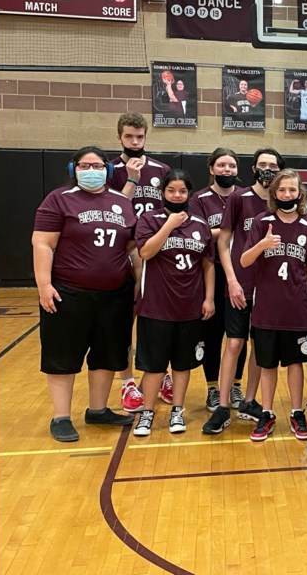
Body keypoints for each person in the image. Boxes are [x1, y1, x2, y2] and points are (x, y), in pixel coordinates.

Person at [32, 146, 137, 442]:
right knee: (63, 355)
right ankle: (61, 416)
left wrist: (138, 283)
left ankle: (98, 409)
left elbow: (131, 246)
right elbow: (42, 243)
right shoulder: (59, 199)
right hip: (68, 292)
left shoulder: (122, 202)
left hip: (115, 294)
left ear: (109, 169)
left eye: (97, 165)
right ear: (73, 169)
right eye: (84, 165)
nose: (91, 170)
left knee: (107, 355)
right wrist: (43, 285)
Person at [202, 148, 284, 435]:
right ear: (253, 168)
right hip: (240, 283)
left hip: (271, 288)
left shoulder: (284, 201)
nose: (267, 170)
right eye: (262, 164)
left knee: (260, 348)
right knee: (234, 344)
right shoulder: (239, 198)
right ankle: (223, 405)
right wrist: (232, 280)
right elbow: (223, 243)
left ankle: (249, 401)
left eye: (273, 165)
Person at [240, 169, 307, 442]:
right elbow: (244, 261)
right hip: (266, 308)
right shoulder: (262, 222)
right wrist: (262, 244)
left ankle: (297, 412)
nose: (287, 194)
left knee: (296, 362)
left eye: (292, 190)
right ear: (274, 193)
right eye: (282, 190)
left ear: (300, 193)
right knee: (267, 364)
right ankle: (266, 412)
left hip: (297, 306)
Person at [132, 169, 215, 436]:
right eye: (171, 190)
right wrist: (169, 224)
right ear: (163, 193)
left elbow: (207, 265)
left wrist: (209, 298)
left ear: (189, 193)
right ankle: (147, 412)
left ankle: (177, 410)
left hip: (189, 306)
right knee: (154, 365)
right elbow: (145, 252)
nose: (177, 195)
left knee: (182, 364)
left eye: (182, 191)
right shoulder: (149, 219)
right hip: (156, 306)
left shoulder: (200, 225)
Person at [107, 112, 173, 413]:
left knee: (159, 317)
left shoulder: (161, 169)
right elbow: (112, 209)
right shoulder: (110, 169)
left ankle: (162, 374)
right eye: (129, 137)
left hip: (157, 252)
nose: (135, 142)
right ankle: (127, 381)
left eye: (140, 137)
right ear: (120, 137)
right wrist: (132, 179)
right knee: (125, 319)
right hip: (124, 249)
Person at [190, 148, 248, 413]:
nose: (227, 170)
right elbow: (196, 233)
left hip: (242, 274)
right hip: (211, 274)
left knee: (239, 337)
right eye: (222, 165)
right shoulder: (199, 199)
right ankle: (213, 388)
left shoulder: (246, 196)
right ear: (211, 169)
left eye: (232, 166)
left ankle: (235, 385)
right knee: (212, 335)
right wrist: (227, 230)